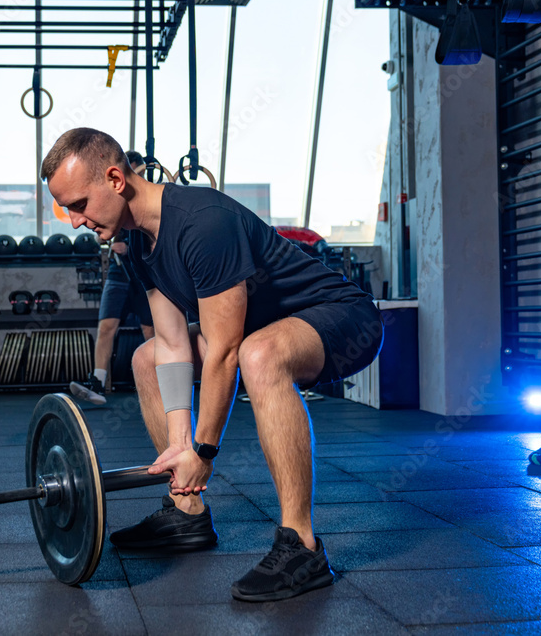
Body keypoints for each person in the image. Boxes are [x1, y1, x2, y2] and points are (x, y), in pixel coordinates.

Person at [41, 128, 383, 602]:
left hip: (341, 317)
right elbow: (172, 341)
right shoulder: (138, 244)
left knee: (257, 354)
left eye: (78, 204)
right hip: (262, 332)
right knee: (146, 358)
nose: (75, 221)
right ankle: (187, 513)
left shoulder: (202, 222)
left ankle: (301, 544)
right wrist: (181, 451)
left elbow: (223, 350)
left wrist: (203, 451)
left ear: (115, 178)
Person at [70, 151, 155, 405]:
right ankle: (97, 381)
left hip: (142, 274)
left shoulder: (147, 199)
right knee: (106, 327)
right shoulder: (112, 197)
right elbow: (100, 228)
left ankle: (159, 379)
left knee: (150, 329)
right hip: (119, 274)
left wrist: (130, 248)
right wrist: (103, 236)